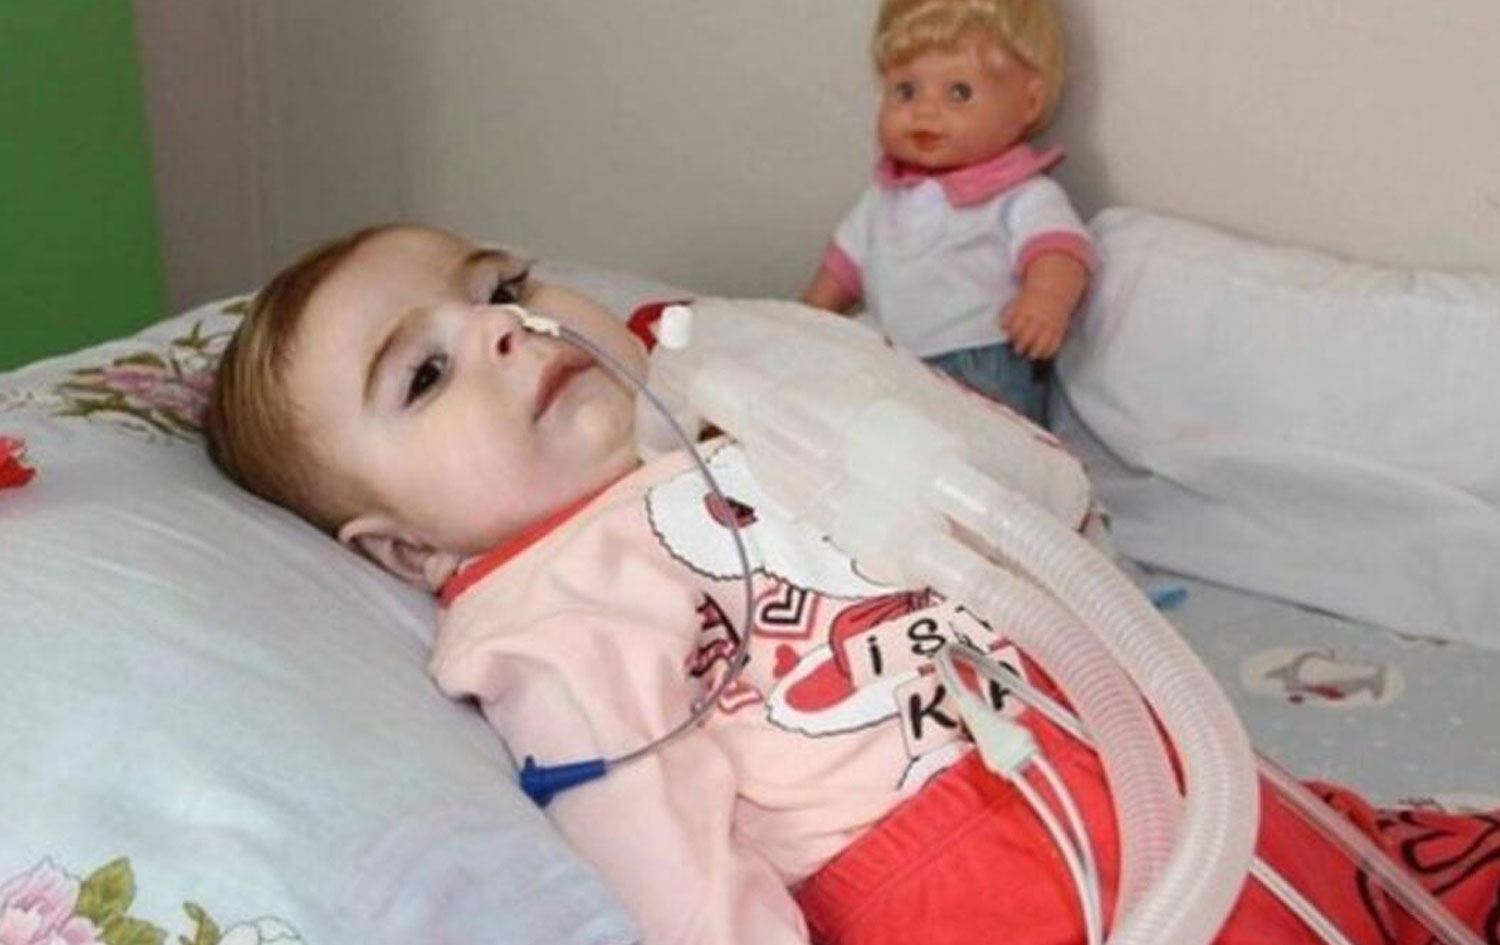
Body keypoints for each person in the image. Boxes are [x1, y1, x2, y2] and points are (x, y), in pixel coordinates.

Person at [207, 223, 1499, 945]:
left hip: (1127, 754)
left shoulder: (732, 423)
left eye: (500, 285)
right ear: (405, 553)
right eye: (425, 374)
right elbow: (671, 867)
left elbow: (1019, 507)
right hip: (973, 880)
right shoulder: (550, 613)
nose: (502, 327)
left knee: (1380, 879)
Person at [802, 0, 1092, 426]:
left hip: (980, 359)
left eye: (959, 93)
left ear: (1029, 101)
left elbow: (1059, 250)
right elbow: (841, 269)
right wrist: (803, 319)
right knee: (862, 420)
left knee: (976, 439)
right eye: (906, 91)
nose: (924, 110)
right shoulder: (885, 196)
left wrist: (1047, 300)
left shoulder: (1021, 194)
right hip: (894, 356)